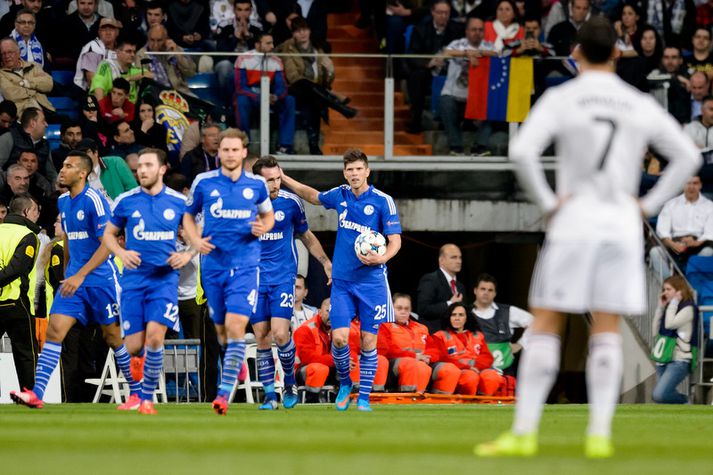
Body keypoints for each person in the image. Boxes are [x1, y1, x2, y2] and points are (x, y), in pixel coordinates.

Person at [475, 17, 701, 459]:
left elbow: (521, 151)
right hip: (619, 223)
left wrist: (547, 201)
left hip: (574, 220)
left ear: (576, 52)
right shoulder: (635, 101)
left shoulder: (564, 96)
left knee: (545, 322)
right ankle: (598, 434)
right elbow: (688, 155)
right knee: (607, 328)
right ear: (617, 53)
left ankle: (524, 432)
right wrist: (647, 205)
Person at [10, 150, 142, 410]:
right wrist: (70, 272)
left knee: (113, 338)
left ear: (83, 173)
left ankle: (137, 394)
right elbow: (69, 237)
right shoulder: (62, 201)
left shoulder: (94, 199)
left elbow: (107, 243)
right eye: (62, 165)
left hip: (102, 281)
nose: (62, 169)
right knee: (54, 332)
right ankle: (36, 393)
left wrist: (81, 274)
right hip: (75, 283)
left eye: (68, 166)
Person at [281, 148, 402, 412]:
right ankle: (345, 382)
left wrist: (383, 258)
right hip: (343, 282)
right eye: (349, 170)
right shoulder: (341, 195)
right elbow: (311, 196)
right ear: (345, 173)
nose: (354, 174)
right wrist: (284, 178)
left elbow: (395, 240)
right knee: (339, 338)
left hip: (372, 283)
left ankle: (365, 398)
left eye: (359, 169)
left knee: (369, 341)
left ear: (367, 171)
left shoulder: (383, 201)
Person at [182, 128, 275, 416]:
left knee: (235, 328)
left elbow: (268, 214)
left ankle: (223, 395)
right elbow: (187, 215)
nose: (230, 154)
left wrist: (264, 226)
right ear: (218, 152)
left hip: (245, 265)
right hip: (212, 267)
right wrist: (195, 240)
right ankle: (235, 364)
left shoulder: (256, 185)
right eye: (225, 150)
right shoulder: (204, 182)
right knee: (222, 332)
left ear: (244, 152)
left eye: (235, 150)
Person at [102, 148, 191, 415]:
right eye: (139, 166)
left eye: (148, 165)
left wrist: (187, 254)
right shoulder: (126, 201)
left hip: (163, 280)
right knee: (133, 345)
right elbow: (108, 234)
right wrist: (120, 252)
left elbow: (199, 235)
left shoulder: (178, 201)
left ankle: (146, 398)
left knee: (154, 338)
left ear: (162, 169)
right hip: (133, 281)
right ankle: (137, 394)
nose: (142, 170)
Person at [250, 155, 332, 410]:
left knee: (281, 332)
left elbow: (306, 236)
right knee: (262, 337)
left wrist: (326, 262)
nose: (275, 185)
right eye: (269, 180)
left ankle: (288, 382)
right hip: (253, 279)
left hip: (282, 277)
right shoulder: (243, 207)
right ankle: (269, 395)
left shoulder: (291, 203)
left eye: (277, 179)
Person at [276, 17, 356, 155]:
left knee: (313, 103)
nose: (302, 33)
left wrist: (330, 70)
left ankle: (314, 147)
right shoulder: (287, 48)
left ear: (309, 31)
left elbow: (326, 81)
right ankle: (338, 106)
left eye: (305, 29)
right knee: (306, 85)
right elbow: (293, 77)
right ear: (293, 33)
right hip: (295, 88)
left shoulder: (317, 50)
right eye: (298, 31)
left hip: (314, 92)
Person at [0, 193, 40, 391]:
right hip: (16, 302)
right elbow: (17, 268)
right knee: (26, 354)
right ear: (25, 212)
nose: (37, 216)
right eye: (35, 211)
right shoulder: (27, 236)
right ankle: (30, 395)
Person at [439, 17, 495, 156]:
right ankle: (456, 147)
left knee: (495, 104)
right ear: (467, 31)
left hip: (478, 98)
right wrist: (466, 54)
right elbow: (446, 52)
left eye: (480, 30)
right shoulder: (458, 43)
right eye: (473, 29)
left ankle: (480, 146)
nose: (477, 33)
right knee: (445, 101)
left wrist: (480, 54)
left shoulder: (489, 46)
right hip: (455, 96)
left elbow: (498, 55)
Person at [405, 0, 462, 134]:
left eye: (446, 13)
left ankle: (458, 123)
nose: (443, 16)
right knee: (416, 77)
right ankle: (416, 120)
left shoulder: (457, 29)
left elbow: (464, 49)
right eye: (440, 13)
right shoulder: (420, 29)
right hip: (428, 70)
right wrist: (429, 62)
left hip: (452, 68)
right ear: (432, 13)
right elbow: (411, 55)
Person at [234, 32, 296, 155]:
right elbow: (240, 87)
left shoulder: (276, 61)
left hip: (270, 97)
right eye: (268, 43)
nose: (272, 46)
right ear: (257, 44)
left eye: (272, 43)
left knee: (289, 100)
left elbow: (282, 87)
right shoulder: (243, 58)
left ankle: (285, 146)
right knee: (241, 100)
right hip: (251, 97)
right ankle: (244, 143)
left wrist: (276, 96)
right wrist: (259, 97)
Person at [429, 302, 504, 395]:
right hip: (457, 371)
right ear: (449, 317)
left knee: (492, 377)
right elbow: (442, 358)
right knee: (470, 377)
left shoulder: (477, 335)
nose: (457, 318)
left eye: (461, 315)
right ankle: (465, 404)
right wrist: (468, 367)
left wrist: (476, 367)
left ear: (466, 318)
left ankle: (484, 403)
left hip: (477, 369)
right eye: (453, 315)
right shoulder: (440, 336)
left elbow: (487, 357)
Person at [649, 176, 713, 277]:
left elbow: (710, 233)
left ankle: (691, 285)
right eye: (688, 183)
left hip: (700, 244)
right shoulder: (670, 204)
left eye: (695, 183)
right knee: (655, 252)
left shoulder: (709, 206)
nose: (691, 187)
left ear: (700, 185)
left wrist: (696, 243)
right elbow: (662, 231)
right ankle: (672, 285)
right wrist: (673, 244)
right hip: (674, 243)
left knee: (708, 252)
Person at [471, 273, 532, 374]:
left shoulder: (507, 311)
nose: (486, 293)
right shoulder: (464, 313)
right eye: (483, 289)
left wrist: (520, 344)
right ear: (475, 290)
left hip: (504, 373)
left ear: (495, 293)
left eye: (490, 290)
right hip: (474, 373)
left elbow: (535, 323)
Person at [651, 275, 699, 404]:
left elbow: (670, 324)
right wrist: (660, 308)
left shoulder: (688, 308)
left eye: (668, 289)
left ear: (679, 291)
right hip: (664, 356)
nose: (664, 292)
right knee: (662, 398)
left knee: (659, 395)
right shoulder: (669, 308)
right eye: (664, 289)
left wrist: (673, 303)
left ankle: (686, 400)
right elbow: (655, 332)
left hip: (679, 359)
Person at [377, 293, 433, 393]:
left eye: (406, 309)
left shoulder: (422, 328)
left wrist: (430, 356)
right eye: (399, 308)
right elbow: (387, 350)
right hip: (392, 365)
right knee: (410, 363)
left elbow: (434, 349)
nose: (403, 312)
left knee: (423, 367)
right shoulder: (384, 325)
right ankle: (407, 395)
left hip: (419, 363)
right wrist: (414, 356)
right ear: (391, 308)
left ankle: (417, 399)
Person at [416, 243, 466, 333]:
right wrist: (450, 303)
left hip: (455, 338)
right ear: (441, 260)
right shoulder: (430, 280)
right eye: (454, 257)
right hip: (434, 336)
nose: (459, 261)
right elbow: (423, 309)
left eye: (460, 257)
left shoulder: (460, 286)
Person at [136, 24, 197, 97]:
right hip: (157, 95)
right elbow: (141, 81)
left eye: (159, 40)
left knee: (205, 106)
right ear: (148, 39)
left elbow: (191, 73)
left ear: (166, 39)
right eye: (152, 40)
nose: (155, 45)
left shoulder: (175, 49)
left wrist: (178, 55)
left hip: (180, 93)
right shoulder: (142, 55)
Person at [293, 297, 334, 402]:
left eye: (335, 311)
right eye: (328, 311)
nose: (331, 315)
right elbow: (308, 358)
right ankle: (312, 399)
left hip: (329, 367)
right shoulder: (305, 329)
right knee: (319, 368)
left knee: (353, 365)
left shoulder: (339, 330)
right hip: (302, 371)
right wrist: (337, 361)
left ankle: (354, 399)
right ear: (319, 312)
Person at [0, 38, 54, 116]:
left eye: (10, 52)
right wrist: (36, 88)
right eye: (3, 53)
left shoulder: (33, 65)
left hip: (45, 109)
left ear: (19, 53)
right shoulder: (1, 74)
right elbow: (11, 95)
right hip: (23, 114)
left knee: (67, 121)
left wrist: (24, 83)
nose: (7, 56)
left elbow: (49, 84)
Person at [0, 107, 55, 182]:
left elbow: (51, 174)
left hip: (37, 189)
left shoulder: (45, 145)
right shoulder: (8, 138)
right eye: (43, 121)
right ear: (33, 123)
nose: (46, 125)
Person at [76, 137, 137, 202]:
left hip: (122, 209)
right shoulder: (78, 177)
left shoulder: (116, 163)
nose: (84, 157)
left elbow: (133, 190)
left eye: (87, 152)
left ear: (96, 152)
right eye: (81, 154)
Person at [90, 36, 145, 103]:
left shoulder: (133, 69)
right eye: (128, 51)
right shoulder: (106, 66)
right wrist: (102, 111)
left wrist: (129, 78)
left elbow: (152, 75)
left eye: (134, 52)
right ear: (118, 52)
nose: (132, 55)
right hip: (107, 108)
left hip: (129, 110)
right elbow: (98, 90)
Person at [74, 17, 122, 93]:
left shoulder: (121, 50)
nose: (108, 32)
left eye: (111, 29)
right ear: (99, 32)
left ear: (117, 32)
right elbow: (91, 81)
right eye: (104, 29)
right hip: (89, 93)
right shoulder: (92, 48)